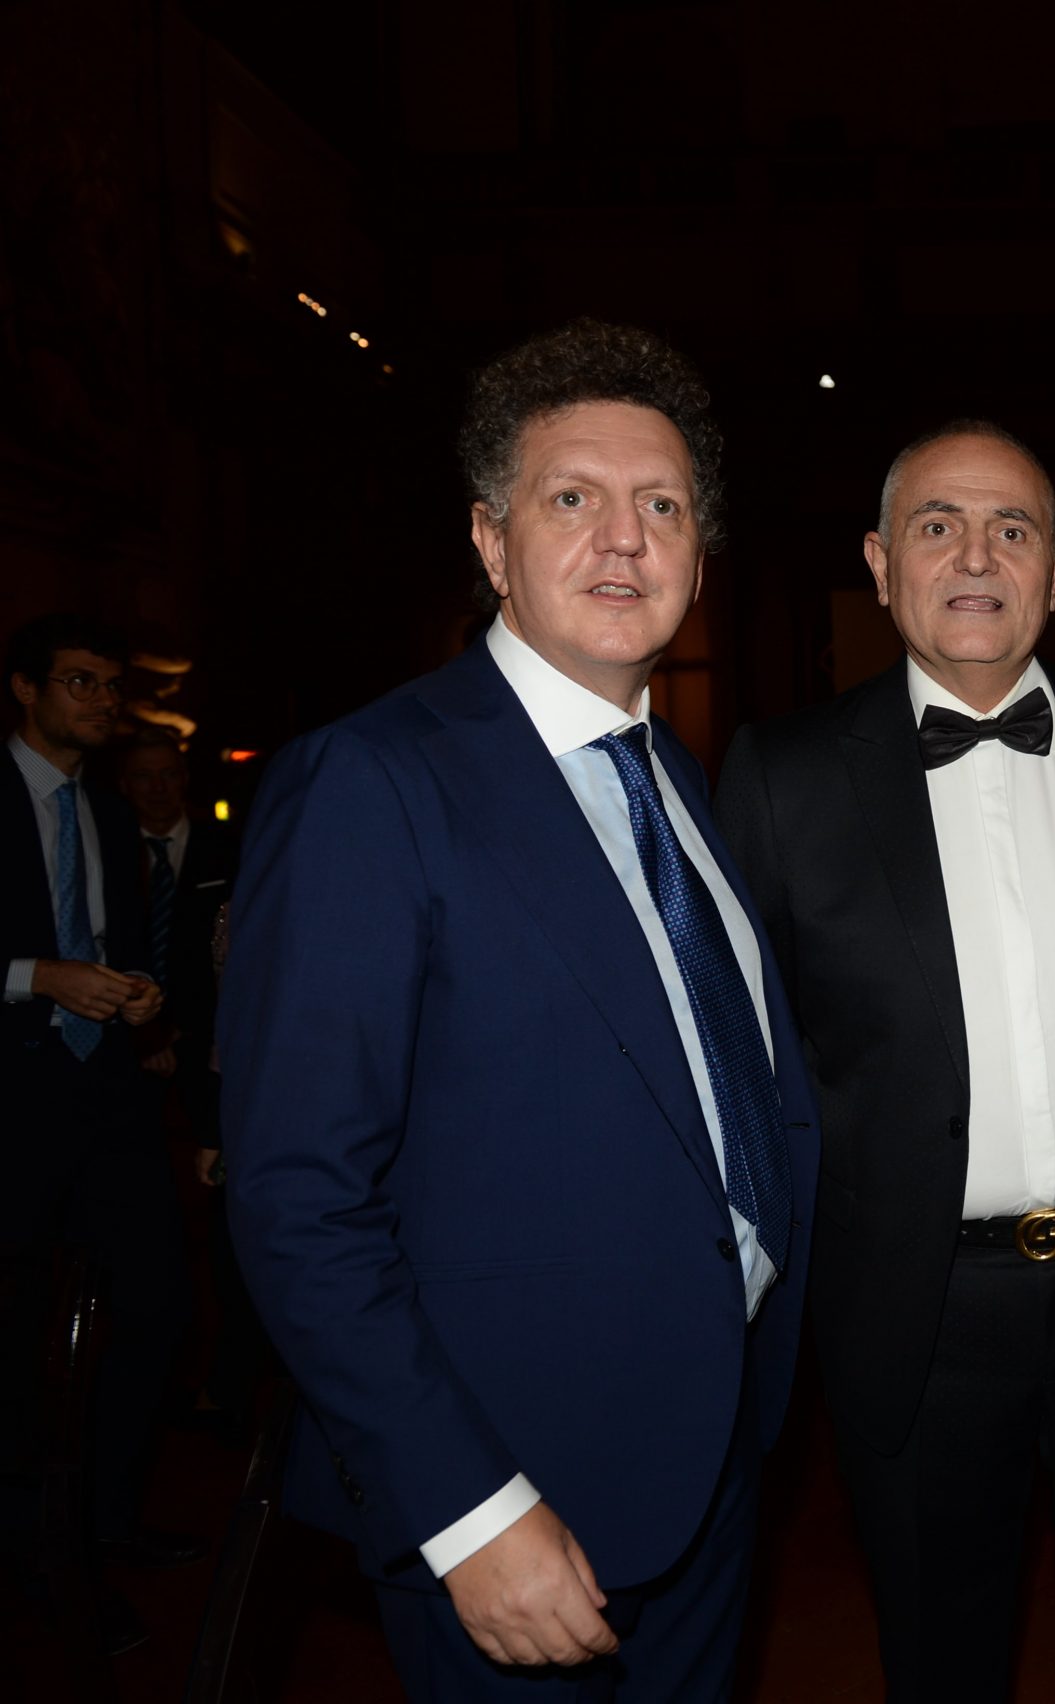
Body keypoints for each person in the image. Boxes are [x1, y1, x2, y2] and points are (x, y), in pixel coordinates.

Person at [220, 319, 819, 1699]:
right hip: (517, 1493)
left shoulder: (674, 776)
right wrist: (466, 1511)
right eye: (572, 499)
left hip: (710, 1458)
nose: (624, 540)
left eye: (661, 507)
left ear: (699, 555)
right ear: (492, 544)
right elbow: (299, 1196)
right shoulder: (372, 781)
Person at [715, 421, 1055, 1702]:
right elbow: (746, 1064)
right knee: (941, 1657)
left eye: (1013, 528)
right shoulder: (780, 778)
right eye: (938, 525)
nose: (977, 556)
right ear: (880, 563)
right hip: (920, 1307)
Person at [2, 615, 195, 1656]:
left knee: (154, 1307)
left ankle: (99, 1524)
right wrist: (38, 976)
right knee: (20, 1329)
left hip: (108, 1098)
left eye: (111, 686)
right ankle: (33, 1551)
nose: (103, 702)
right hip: (16, 1099)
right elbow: (49, 959)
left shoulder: (112, 818)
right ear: (25, 688)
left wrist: (138, 992)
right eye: (80, 682)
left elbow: (119, 946)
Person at [115, 729, 262, 1435]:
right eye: (143, 777)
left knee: (226, 1228)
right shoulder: (110, 848)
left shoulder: (226, 850)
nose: (158, 789)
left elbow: (230, 968)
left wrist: (180, 1034)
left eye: (168, 775)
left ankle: (227, 1380)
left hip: (209, 1060)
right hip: (124, 1054)